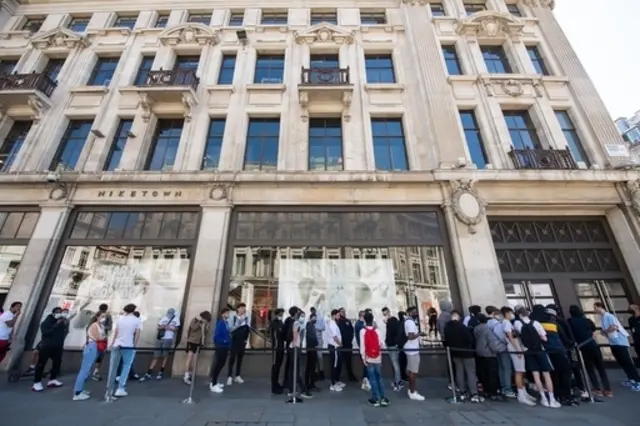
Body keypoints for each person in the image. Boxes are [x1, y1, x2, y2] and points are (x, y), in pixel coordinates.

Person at [513, 305, 561, 408]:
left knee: (536, 375)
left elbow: (518, 335)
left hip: (528, 351)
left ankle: (543, 398)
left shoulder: (517, 323)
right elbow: (544, 338)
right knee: (546, 375)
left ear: (519, 314)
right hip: (540, 350)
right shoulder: (536, 323)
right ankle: (551, 399)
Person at [594, 302, 640, 391]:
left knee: (627, 362)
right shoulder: (603, 317)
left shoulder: (609, 316)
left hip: (619, 341)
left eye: (595, 308)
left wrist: (604, 331)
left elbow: (614, 327)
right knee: (622, 362)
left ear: (600, 307)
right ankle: (631, 379)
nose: (594, 310)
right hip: (613, 342)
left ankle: (637, 381)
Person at [568, 305, 611, 397]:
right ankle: (608, 390)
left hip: (583, 347)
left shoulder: (570, 322)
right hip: (593, 345)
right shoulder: (587, 320)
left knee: (589, 368)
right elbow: (593, 330)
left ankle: (597, 389)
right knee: (600, 368)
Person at [501, 306, 536, 406]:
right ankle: (521, 394)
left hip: (517, 347)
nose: (512, 315)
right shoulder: (506, 323)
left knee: (521, 371)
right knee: (519, 371)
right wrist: (517, 349)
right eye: (510, 313)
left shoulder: (508, 323)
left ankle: (524, 392)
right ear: (507, 313)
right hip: (514, 348)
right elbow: (510, 336)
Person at [444, 310, 481, 402]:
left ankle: (462, 391)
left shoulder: (447, 327)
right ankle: (474, 392)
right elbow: (470, 339)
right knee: (470, 372)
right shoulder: (462, 327)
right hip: (466, 352)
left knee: (459, 372)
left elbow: (446, 340)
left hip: (455, 352)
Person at [540, 308, 574, 406]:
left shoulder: (539, 325)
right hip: (559, 352)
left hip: (547, 353)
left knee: (554, 375)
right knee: (565, 373)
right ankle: (566, 395)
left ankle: (556, 394)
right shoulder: (555, 326)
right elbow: (566, 340)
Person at [72, 312, 107, 400]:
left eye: (105, 317)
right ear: (97, 317)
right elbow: (98, 337)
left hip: (96, 347)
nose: (104, 318)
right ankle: (77, 392)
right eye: (102, 316)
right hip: (92, 346)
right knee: (84, 369)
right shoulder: (94, 325)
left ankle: (81, 389)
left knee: (87, 370)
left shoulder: (101, 326)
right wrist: (104, 337)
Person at [108, 304, 141, 397]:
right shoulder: (137, 320)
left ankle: (109, 389)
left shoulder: (120, 319)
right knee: (126, 365)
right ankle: (120, 388)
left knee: (113, 367)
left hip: (117, 344)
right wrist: (135, 345)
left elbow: (116, 333)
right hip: (128, 345)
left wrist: (112, 343)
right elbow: (137, 334)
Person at [140, 308, 179, 381]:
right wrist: (162, 327)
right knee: (156, 355)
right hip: (160, 338)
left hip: (168, 338)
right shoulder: (164, 318)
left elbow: (176, 329)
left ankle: (161, 372)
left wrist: (169, 328)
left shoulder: (176, 319)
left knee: (165, 355)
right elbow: (158, 327)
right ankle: (149, 372)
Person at [32, 307, 66, 392]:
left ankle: (53, 379)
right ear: (53, 313)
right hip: (46, 346)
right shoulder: (46, 322)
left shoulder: (61, 321)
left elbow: (62, 333)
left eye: (61, 312)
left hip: (57, 346)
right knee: (41, 363)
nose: (60, 314)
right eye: (58, 312)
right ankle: (37, 382)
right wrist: (56, 325)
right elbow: (46, 333)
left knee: (57, 363)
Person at [474, 313, 506, 402]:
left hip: (479, 352)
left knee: (484, 373)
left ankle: (486, 390)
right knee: (492, 374)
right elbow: (492, 343)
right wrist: (499, 348)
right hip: (489, 353)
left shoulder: (476, 329)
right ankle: (493, 392)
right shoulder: (488, 329)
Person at [359, 311, 389, 407]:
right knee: (379, 377)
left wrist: (363, 358)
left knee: (372, 379)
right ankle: (383, 398)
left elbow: (362, 346)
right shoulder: (377, 331)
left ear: (365, 320)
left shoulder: (362, 331)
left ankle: (375, 399)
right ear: (372, 320)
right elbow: (382, 344)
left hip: (368, 358)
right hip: (378, 358)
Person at [488, 306, 514, 398]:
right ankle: (507, 388)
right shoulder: (497, 324)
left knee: (500, 367)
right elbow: (502, 336)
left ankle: (503, 386)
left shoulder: (488, 323)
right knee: (506, 367)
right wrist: (508, 342)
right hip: (502, 347)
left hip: (493, 348)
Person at [287, 307, 312, 399]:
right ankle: (303, 390)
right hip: (295, 347)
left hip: (293, 347)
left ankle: (291, 389)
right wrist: (294, 343)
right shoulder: (296, 322)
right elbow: (294, 333)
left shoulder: (290, 321)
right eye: (299, 313)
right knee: (296, 369)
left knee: (293, 369)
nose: (301, 316)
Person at [183, 310, 211, 385]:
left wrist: (206, 327)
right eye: (205, 319)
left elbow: (205, 333)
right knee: (189, 358)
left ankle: (190, 374)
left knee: (194, 359)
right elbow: (193, 327)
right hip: (192, 341)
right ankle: (186, 375)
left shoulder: (205, 323)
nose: (205, 321)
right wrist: (200, 323)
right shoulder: (195, 320)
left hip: (198, 342)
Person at [403, 306, 424, 401]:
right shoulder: (410, 322)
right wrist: (420, 334)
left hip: (410, 348)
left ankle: (411, 389)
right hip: (412, 349)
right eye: (414, 312)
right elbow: (410, 336)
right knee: (413, 371)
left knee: (410, 369)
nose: (416, 313)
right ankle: (412, 391)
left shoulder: (408, 321)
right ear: (410, 312)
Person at [226, 303, 249, 385]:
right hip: (234, 341)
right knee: (232, 358)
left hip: (242, 341)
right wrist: (238, 324)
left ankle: (237, 375)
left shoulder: (246, 318)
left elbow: (247, 329)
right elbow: (230, 329)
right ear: (238, 309)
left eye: (244, 308)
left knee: (240, 359)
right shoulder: (233, 317)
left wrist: (246, 340)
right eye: (242, 308)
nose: (243, 309)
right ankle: (229, 376)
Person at [209, 307, 231, 393]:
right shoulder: (221, 323)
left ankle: (214, 381)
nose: (228, 315)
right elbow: (217, 335)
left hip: (225, 347)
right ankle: (213, 384)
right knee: (219, 364)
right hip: (221, 346)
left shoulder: (226, 323)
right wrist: (225, 341)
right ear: (223, 314)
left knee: (221, 364)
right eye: (227, 313)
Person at [382, 307, 403, 391]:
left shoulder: (392, 321)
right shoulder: (393, 321)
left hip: (392, 344)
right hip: (392, 344)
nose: (385, 315)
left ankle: (398, 382)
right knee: (395, 363)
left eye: (385, 313)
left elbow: (393, 333)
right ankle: (398, 381)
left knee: (395, 363)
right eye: (384, 314)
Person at [91, 303, 112, 381]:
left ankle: (90, 372)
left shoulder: (94, 315)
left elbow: (89, 326)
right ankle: (95, 372)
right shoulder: (108, 316)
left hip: (94, 338)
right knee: (100, 355)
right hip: (102, 339)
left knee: (94, 354)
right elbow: (109, 327)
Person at [326, 308, 344, 392]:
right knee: (334, 365)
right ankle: (333, 384)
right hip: (334, 346)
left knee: (337, 364)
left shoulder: (335, 323)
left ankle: (336, 381)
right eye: (337, 315)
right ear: (333, 315)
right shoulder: (332, 324)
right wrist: (340, 344)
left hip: (336, 347)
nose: (339, 317)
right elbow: (335, 336)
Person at [337, 307, 357, 382]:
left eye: (344, 311)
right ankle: (337, 377)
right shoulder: (338, 321)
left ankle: (350, 375)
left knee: (349, 361)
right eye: (342, 311)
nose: (343, 313)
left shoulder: (347, 320)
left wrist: (350, 339)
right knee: (339, 361)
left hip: (348, 344)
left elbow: (351, 331)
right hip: (341, 344)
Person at [270, 308, 285, 394]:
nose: (281, 316)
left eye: (282, 314)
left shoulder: (281, 323)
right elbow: (275, 336)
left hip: (281, 347)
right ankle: (274, 386)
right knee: (275, 367)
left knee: (278, 367)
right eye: (280, 314)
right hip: (276, 348)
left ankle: (277, 383)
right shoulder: (274, 323)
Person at [354, 310, 370, 391]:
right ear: (361, 316)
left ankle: (365, 379)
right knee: (365, 364)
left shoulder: (361, 324)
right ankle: (365, 380)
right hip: (363, 348)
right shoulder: (359, 325)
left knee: (366, 365)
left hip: (365, 347)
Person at [305, 312, 320, 391]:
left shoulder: (312, 326)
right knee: (310, 366)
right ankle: (308, 383)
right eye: (314, 317)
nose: (315, 319)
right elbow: (311, 337)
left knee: (312, 367)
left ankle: (311, 383)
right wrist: (316, 343)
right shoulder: (309, 325)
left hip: (312, 348)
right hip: (311, 348)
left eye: (316, 317)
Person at [310, 307, 326, 380]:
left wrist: (316, 327)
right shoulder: (310, 318)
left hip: (319, 340)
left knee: (320, 356)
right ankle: (315, 372)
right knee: (314, 357)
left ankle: (321, 371)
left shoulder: (320, 317)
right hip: (312, 340)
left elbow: (323, 327)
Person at [397, 311, 409, 382]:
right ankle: (404, 375)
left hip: (401, 345)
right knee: (403, 361)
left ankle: (403, 375)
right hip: (403, 344)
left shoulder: (399, 323)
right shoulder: (403, 323)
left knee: (403, 361)